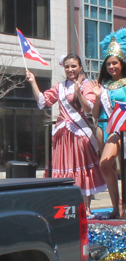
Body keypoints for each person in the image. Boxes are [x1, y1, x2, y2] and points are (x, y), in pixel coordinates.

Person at [26, 54, 106, 216]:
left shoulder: (87, 85)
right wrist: (33, 81)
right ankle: (64, 206)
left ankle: (86, 206)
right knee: (62, 169)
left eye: (73, 66)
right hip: (63, 136)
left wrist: (78, 92)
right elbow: (43, 102)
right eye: (67, 67)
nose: (70, 70)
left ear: (80, 67)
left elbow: (89, 109)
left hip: (80, 134)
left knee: (82, 169)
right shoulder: (60, 87)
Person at [91, 41, 126, 219]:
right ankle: (116, 207)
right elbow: (95, 114)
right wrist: (97, 97)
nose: (112, 66)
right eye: (109, 63)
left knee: (105, 164)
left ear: (121, 64)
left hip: (119, 129)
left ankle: (120, 204)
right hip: (102, 128)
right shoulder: (102, 85)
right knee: (107, 167)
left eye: (115, 63)